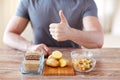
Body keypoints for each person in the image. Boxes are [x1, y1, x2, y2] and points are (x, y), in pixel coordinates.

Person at [3, 0, 104, 57]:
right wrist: (29, 47)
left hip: (73, 62)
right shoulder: (28, 1)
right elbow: (8, 35)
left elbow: (98, 40)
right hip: (39, 60)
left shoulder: (86, 2)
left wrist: (70, 33)